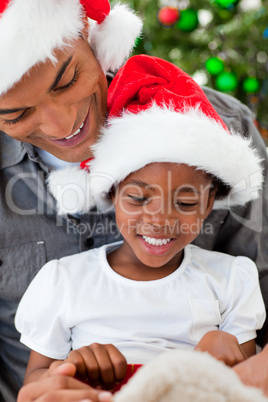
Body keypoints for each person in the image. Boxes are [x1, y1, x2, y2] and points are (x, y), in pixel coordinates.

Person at [0, 0, 267, 401]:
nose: (63, 124)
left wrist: (241, 365)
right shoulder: (61, 284)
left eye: (67, 79)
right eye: (16, 114)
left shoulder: (221, 128)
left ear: (90, 35)